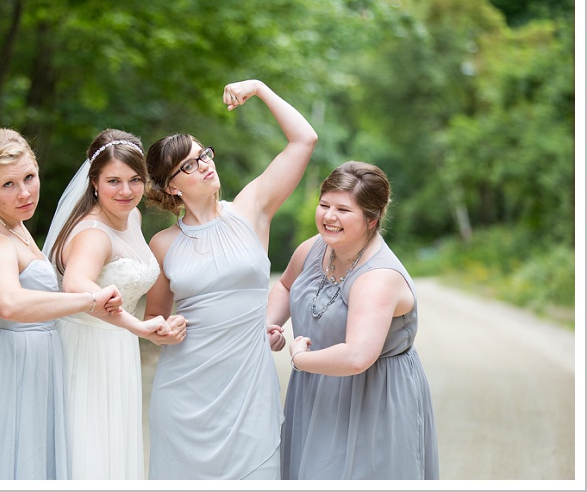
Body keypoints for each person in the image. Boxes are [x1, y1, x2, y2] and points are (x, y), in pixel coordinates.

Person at [142, 79, 318, 480]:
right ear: (171, 186)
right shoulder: (163, 244)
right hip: (185, 394)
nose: (205, 163)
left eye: (203, 154)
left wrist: (258, 88)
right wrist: (164, 330)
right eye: (189, 164)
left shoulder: (250, 210)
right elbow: (154, 323)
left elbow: (303, 140)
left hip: (248, 391)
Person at [0, 128, 123, 480]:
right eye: (9, 184)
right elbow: (9, 304)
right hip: (2, 370)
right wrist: (86, 300)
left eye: (29, 177)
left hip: (24, 367)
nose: (24, 193)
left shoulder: (9, 222)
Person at [267, 160, 439, 480]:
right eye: (324, 205)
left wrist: (300, 359)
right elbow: (285, 284)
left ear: (372, 219)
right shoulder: (313, 249)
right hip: (317, 388)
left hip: (372, 396)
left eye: (344, 210)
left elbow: (357, 356)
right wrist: (270, 323)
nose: (329, 217)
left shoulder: (378, 278)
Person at [41, 128, 188, 479]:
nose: (126, 191)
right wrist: (137, 326)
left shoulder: (132, 217)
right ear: (93, 182)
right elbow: (77, 285)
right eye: (114, 181)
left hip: (116, 347)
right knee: (88, 449)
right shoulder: (94, 232)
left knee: (113, 449)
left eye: (135, 179)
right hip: (86, 349)